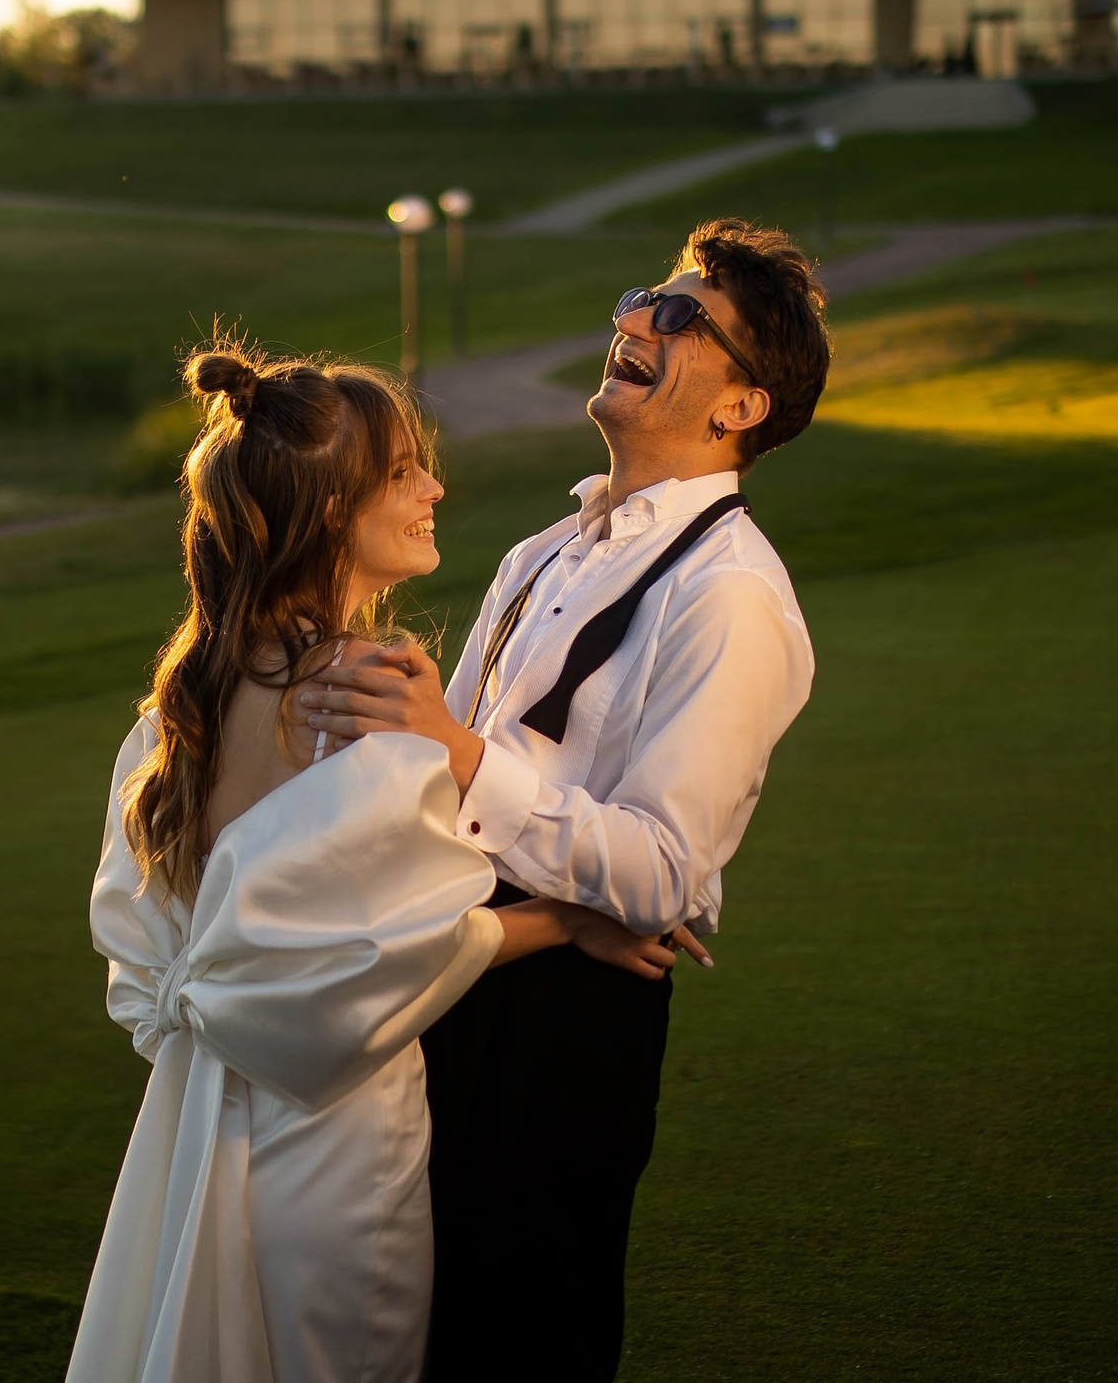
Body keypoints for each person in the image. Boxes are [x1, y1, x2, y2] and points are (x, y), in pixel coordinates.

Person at [68, 345, 668, 1383]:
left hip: (197, 1125)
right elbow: (409, 946)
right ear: (326, 510)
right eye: (402, 473)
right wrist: (572, 920)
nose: (434, 488)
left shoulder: (191, 696)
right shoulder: (371, 688)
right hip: (332, 1135)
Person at [301, 218, 832, 1380]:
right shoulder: (541, 551)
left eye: (683, 316)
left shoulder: (731, 595)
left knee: (524, 1334)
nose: (634, 317)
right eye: (646, 294)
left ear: (742, 407)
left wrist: (459, 758)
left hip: (560, 1028)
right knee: (416, 1332)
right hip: (458, 966)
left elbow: (667, 879)